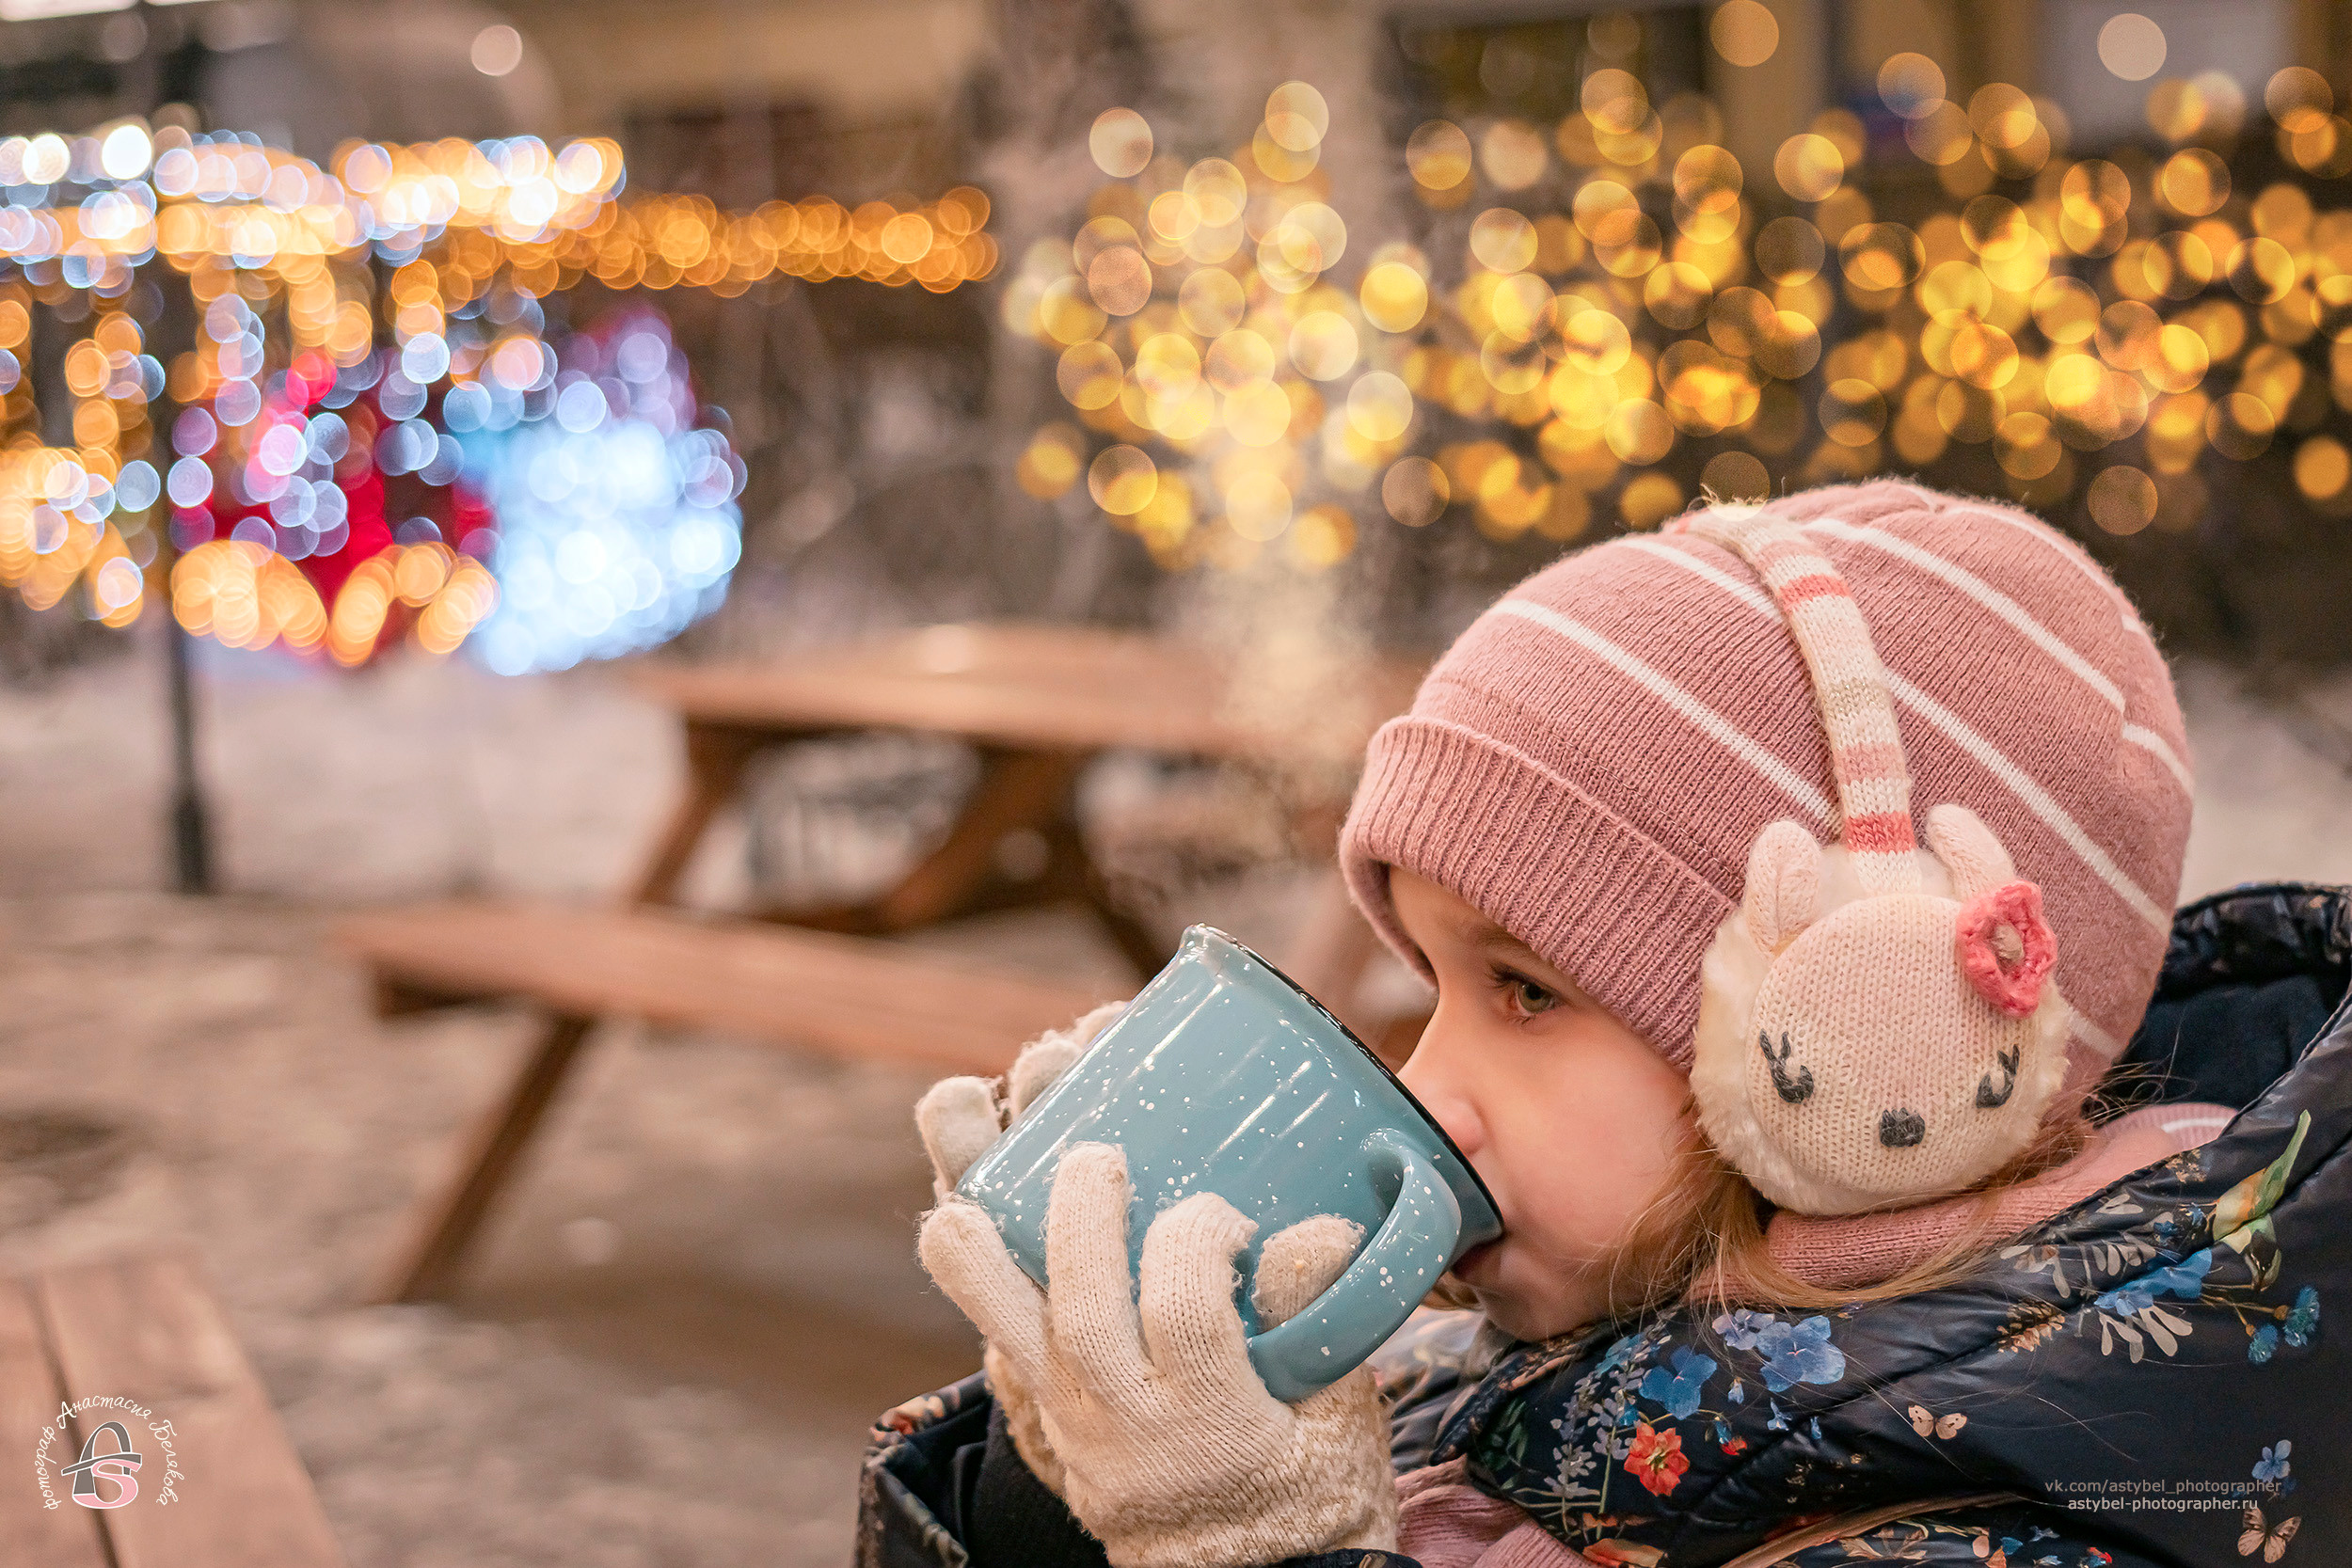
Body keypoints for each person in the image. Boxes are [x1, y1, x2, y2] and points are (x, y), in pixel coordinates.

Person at [859, 481, 2347, 1568]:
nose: (1430, 1095)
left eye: (1527, 991)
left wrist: (1260, 1562)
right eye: (1428, 984)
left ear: (1890, 1057)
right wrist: (1060, 1481)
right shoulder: (1506, 1359)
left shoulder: (2041, 1504)